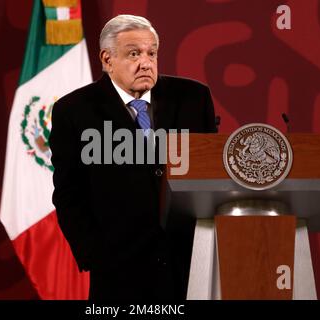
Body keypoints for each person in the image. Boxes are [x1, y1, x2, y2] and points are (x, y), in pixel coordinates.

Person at [49, 14, 217, 301]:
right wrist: (95, 255)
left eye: (152, 53)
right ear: (107, 59)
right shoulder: (74, 111)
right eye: (134, 54)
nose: (146, 62)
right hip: (118, 271)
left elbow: (212, 176)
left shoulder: (193, 98)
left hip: (189, 265)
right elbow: (68, 194)